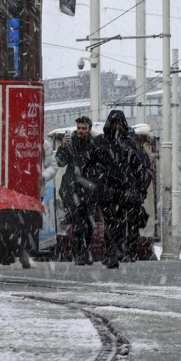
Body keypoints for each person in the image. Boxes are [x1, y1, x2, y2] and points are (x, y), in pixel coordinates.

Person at [91, 110, 132, 269]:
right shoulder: (101, 142)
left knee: (120, 223)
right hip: (107, 189)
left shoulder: (127, 143)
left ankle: (117, 251)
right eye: (114, 123)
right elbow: (92, 165)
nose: (116, 126)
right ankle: (112, 252)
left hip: (121, 189)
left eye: (119, 123)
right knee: (111, 222)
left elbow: (134, 168)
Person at [55, 116, 98, 265]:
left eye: (83, 128)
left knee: (90, 224)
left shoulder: (94, 146)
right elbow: (60, 162)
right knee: (78, 223)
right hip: (72, 190)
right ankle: (79, 253)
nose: (80, 131)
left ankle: (85, 250)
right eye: (79, 128)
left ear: (89, 129)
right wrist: (62, 147)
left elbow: (100, 166)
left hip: (89, 190)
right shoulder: (70, 145)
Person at [121, 130, 152, 262]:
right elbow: (147, 176)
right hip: (133, 196)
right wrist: (141, 191)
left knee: (123, 225)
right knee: (132, 226)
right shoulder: (141, 155)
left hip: (124, 196)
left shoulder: (121, 154)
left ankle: (125, 251)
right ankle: (130, 251)